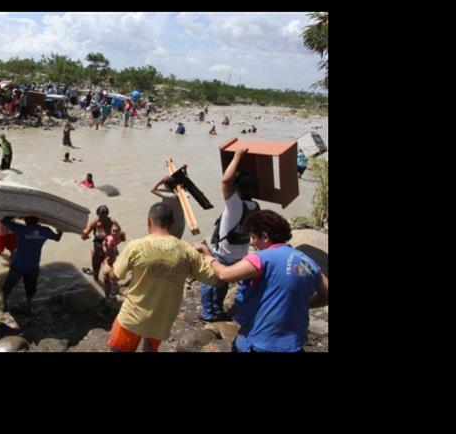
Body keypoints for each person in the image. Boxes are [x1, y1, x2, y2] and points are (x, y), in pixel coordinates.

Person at [195, 210, 328, 352]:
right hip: (292, 345)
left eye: (253, 237)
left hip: (258, 344)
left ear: (264, 237)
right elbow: (326, 294)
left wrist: (208, 256)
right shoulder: (306, 262)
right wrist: (303, 304)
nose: (253, 243)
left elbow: (224, 274)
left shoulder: (262, 258)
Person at [100, 203, 221, 352]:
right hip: (161, 321)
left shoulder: (136, 246)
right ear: (172, 223)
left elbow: (114, 277)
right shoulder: (188, 251)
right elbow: (216, 279)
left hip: (132, 318)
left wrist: (107, 269)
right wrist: (207, 252)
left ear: (148, 221)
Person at [195, 147, 260, 323]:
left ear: (237, 187)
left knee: (209, 280)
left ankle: (209, 313)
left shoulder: (235, 204)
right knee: (223, 281)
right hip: (240, 254)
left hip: (223, 253)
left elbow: (225, 181)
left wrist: (238, 156)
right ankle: (217, 308)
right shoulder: (255, 206)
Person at [0, 216, 63, 315]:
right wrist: (60, 230)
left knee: (8, 286)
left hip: (18, 265)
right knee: (30, 289)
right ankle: (28, 308)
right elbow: (57, 238)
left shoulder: (21, 228)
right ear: (37, 219)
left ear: (26, 220)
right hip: (33, 267)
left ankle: (3, 304)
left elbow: (4, 221)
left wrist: (16, 214)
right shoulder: (45, 230)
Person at [81, 205, 124, 284]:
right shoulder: (94, 222)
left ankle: (108, 293)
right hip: (98, 248)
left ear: (107, 215)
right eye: (101, 217)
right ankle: (96, 282)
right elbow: (84, 235)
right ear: (97, 215)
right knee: (96, 271)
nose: (102, 219)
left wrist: (115, 243)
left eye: (104, 217)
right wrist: (84, 236)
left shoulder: (112, 222)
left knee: (107, 273)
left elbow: (122, 236)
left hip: (109, 251)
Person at [150, 174, 186, 239]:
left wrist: (160, 182)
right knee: (176, 240)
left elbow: (153, 190)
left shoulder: (168, 196)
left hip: (172, 224)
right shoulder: (180, 194)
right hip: (180, 222)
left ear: (166, 186)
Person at [101, 222, 124, 299]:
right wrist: (106, 260)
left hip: (113, 257)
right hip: (108, 259)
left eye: (116, 231)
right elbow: (105, 245)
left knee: (113, 273)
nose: (114, 233)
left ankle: (111, 288)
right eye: (113, 231)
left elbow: (122, 239)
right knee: (107, 276)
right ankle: (107, 295)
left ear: (119, 231)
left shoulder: (119, 236)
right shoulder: (110, 240)